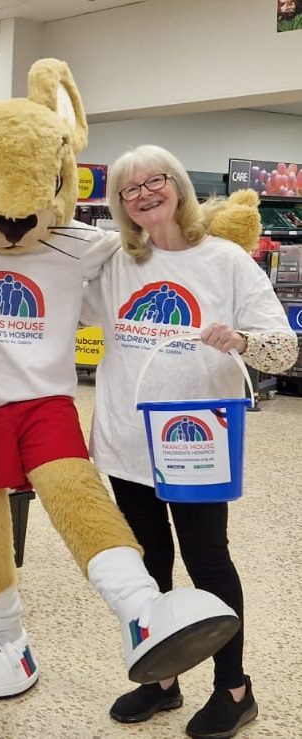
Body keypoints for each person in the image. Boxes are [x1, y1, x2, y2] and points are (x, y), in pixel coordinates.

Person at [84, 144, 297, 739]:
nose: (144, 194)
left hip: (198, 444)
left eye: (155, 181)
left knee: (208, 562)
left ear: (177, 185)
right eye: (130, 189)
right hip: (128, 442)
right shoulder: (118, 263)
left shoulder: (225, 260)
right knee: (148, 567)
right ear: (121, 205)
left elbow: (285, 348)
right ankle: (162, 679)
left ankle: (235, 688)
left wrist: (242, 342)